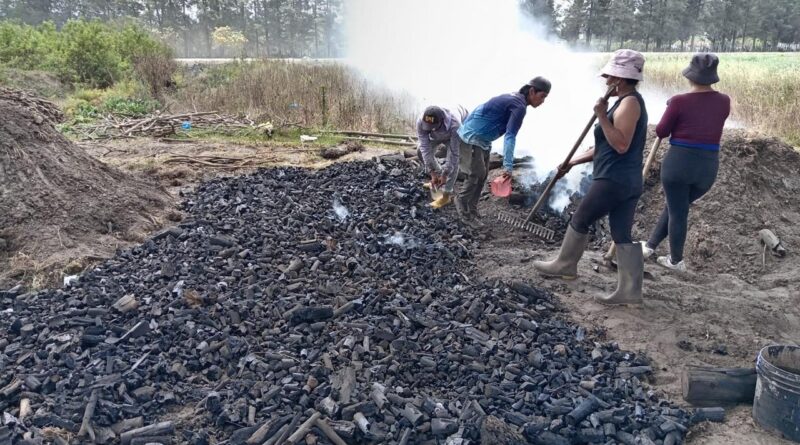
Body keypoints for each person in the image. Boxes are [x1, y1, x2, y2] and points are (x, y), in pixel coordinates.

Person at [534, 49, 648, 306]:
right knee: (621, 235)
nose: (607, 82)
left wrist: (600, 115)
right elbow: (604, 145)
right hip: (626, 180)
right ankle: (630, 293)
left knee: (580, 218)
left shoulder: (629, 103)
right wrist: (572, 162)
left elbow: (620, 145)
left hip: (614, 179)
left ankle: (565, 265)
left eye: (610, 77)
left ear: (620, 78)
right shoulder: (623, 102)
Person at [641, 53, 730, 272]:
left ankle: (676, 261)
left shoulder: (680, 101)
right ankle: (650, 247)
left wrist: (671, 106)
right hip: (708, 168)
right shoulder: (724, 101)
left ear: (691, 76)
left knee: (678, 211)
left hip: (679, 164)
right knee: (676, 206)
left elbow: (661, 131)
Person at [456, 77, 551, 227]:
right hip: (471, 138)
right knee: (475, 175)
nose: (543, 101)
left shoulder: (514, 99)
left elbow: (481, 108)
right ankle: (463, 208)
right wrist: (508, 166)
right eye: (542, 96)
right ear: (532, 91)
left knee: (482, 176)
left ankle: (472, 210)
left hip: (482, 141)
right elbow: (510, 136)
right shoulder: (518, 106)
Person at [416, 106, 464, 209]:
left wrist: (446, 174)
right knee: (420, 150)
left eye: (431, 127)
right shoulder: (421, 121)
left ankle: (446, 195)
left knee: (454, 162)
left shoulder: (456, 125)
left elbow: (453, 154)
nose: (428, 129)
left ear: (442, 121)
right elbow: (424, 147)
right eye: (427, 127)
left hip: (452, 134)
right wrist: (433, 173)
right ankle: (437, 178)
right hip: (435, 135)